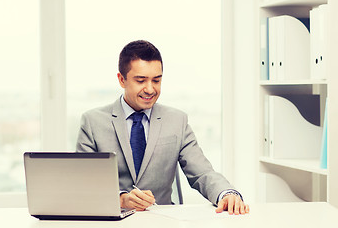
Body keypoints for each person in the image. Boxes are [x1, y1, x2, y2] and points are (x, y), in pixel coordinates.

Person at [76, 40, 249, 215]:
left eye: (156, 80)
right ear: (122, 80)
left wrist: (226, 193)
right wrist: (121, 199)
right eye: (141, 80)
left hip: (163, 222)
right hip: (112, 223)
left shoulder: (177, 120)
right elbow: (82, 184)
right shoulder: (93, 123)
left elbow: (202, 173)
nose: (150, 89)